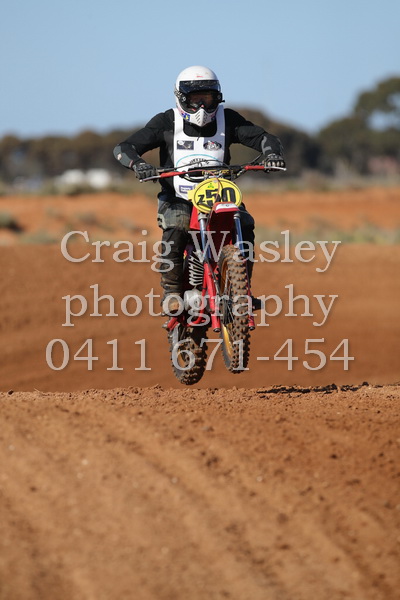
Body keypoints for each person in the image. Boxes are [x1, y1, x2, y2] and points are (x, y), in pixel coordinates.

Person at [113, 65, 285, 315]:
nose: (202, 107)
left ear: (218, 98)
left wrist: (271, 154)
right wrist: (139, 165)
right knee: (177, 226)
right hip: (178, 196)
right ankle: (172, 293)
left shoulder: (228, 119)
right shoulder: (166, 121)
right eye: (196, 100)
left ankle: (242, 291)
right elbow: (124, 147)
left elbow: (265, 138)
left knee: (245, 223)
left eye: (208, 99)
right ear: (181, 98)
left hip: (219, 194)